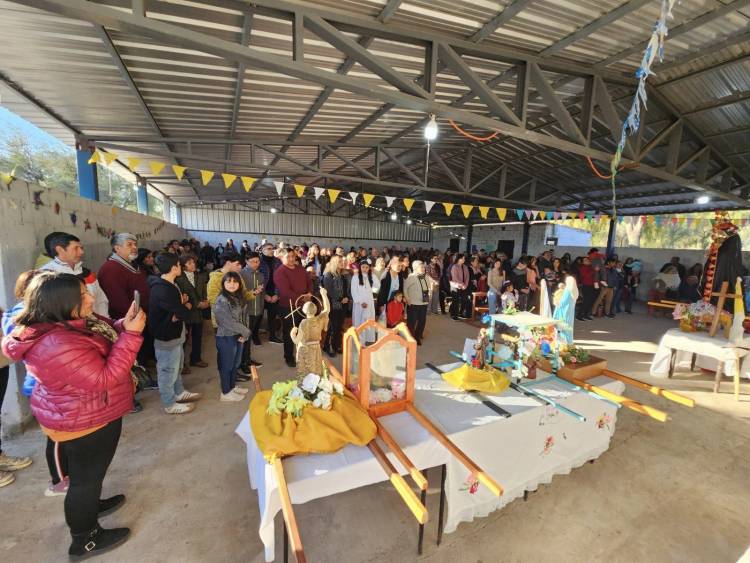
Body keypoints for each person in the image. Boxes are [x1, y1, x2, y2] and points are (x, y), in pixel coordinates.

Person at [1, 271, 145, 558]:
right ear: (60, 303)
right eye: (82, 296)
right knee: (84, 480)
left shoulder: (70, 325)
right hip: (83, 419)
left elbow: (100, 342)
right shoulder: (57, 342)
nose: (91, 298)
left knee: (89, 476)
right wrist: (131, 334)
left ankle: (92, 504)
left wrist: (120, 325)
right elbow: (106, 377)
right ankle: (85, 539)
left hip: (88, 411)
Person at [2, 270, 71, 495]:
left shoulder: (44, 314)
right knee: (57, 436)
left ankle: (68, 474)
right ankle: (59, 480)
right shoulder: (23, 316)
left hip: (54, 382)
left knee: (66, 435)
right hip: (43, 383)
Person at [149, 253, 203, 414]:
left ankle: (179, 392)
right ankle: (169, 403)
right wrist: (184, 306)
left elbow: (177, 312)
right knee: (167, 370)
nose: (181, 267)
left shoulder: (171, 284)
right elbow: (181, 313)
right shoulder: (162, 288)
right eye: (180, 265)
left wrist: (181, 305)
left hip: (176, 332)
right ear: (174, 268)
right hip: (166, 335)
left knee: (177, 366)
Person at [41, 232, 109, 316]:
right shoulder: (47, 274)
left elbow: (101, 300)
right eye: (76, 248)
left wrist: (104, 322)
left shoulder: (87, 273)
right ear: (60, 250)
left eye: (81, 248)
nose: (81, 252)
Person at [212, 272, 252, 402]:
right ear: (223, 284)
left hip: (239, 335)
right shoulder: (221, 300)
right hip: (226, 337)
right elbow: (227, 322)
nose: (232, 284)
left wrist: (244, 334)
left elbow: (244, 315)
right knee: (227, 365)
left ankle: (232, 387)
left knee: (235, 364)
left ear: (239, 284)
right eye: (228, 282)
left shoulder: (238, 297)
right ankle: (225, 392)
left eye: (235, 282)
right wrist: (246, 332)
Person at [274, 249, 313, 368]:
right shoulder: (280, 272)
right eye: (288, 257)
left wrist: (309, 293)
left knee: (302, 331)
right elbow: (285, 291)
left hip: (303, 306)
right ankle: (289, 356)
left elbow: (309, 282)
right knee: (290, 333)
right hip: (288, 307)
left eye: (293, 256)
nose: (291, 259)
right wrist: (302, 298)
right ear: (281, 257)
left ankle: (301, 354)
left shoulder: (300, 268)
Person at [175, 254, 209, 370]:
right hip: (187, 312)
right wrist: (197, 304)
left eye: (193, 262)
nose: (193, 264)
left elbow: (204, 291)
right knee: (183, 339)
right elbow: (181, 296)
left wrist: (205, 301)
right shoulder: (179, 279)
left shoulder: (199, 276)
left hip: (198, 313)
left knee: (197, 336)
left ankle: (196, 359)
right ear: (183, 266)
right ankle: (182, 363)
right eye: (189, 263)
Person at [321, 255, 347, 357]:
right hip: (333, 305)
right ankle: (328, 346)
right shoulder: (328, 275)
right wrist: (341, 299)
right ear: (335, 262)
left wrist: (345, 298)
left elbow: (343, 289)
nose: (342, 263)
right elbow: (329, 291)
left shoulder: (341, 275)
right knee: (332, 327)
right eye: (340, 261)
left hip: (342, 306)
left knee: (339, 327)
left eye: (343, 261)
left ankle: (336, 345)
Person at [240, 251, 266, 347]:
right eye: (253, 261)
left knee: (253, 328)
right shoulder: (241, 274)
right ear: (246, 261)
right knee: (245, 333)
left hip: (258, 308)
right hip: (246, 309)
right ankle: (245, 357)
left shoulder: (260, 275)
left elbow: (263, 291)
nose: (256, 264)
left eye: (258, 261)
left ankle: (254, 338)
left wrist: (262, 305)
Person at [350, 259, 379, 344]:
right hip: (360, 305)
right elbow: (353, 291)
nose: (365, 269)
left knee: (368, 321)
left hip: (369, 303)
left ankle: (367, 340)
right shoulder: (355, 277)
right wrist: (360, 302)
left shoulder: (371, 276)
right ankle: (359, 341)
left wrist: (373, 274)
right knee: (360, 322)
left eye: (367, 267)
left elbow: (377, 286)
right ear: (360, 267)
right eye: (363, 267)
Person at [259, 243, 283, 344]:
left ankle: (272, 336)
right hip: (261, 291)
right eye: (269, 249)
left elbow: (281, 278)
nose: (271, 250)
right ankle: (255, 335)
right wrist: (264, 295)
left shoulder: (277, 261)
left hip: (274, 291)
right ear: (263, 250)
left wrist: (277, 294)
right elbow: (256, 280)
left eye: (272, 249)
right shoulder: (258, 261)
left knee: (272, 316)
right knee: (258, 316)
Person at [403, 260, 429, 345]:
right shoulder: (411, 277)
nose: (423, 268)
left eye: (423, 267)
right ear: (415, 268)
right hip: (413, 303)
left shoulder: (425, 276)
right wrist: (407, 299)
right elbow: (405, 288)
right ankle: (411, 337)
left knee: (422, 321)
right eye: (421, 267)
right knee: (412, 322)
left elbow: (427, 288)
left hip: (424, 303)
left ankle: (418, 335)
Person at [449, 254, 470, 320]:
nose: (464, 260)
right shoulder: (454, 266)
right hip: (456, 286)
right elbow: (455, 278)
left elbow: (467, 276)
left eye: (464, 258)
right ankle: (454, 314)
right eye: (463, 258)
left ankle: (461, 313)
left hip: (464, 286)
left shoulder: (465, 267)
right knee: (456, 300)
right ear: (459, 259)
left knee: (465, 299)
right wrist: (462, 284)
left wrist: (465, 285)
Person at [576, 256, 596, 321]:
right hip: (586, 286)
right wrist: (593, 270)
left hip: (592, 286)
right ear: (582, 262)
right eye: (585, 260)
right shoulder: (582, 268)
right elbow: (586, 275)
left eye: (587, 259)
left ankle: (586, 315)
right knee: (585, 301)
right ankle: (579, 316)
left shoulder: (591, 267)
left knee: (590, 301)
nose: (587, 260)